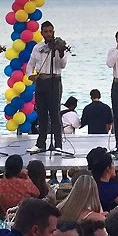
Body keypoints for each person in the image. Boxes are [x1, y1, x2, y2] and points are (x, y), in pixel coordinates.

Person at [26, 21, 70, 151]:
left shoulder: (59, 46)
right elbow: (30, 64)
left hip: (54, 81)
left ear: (54, 32)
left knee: (55, 114)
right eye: (46, 32)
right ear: (42, 33)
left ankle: (58, 145)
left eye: (51, 31)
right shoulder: (37, 48)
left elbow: (62, 65)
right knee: (42, 114)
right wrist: (30, 75)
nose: (48, 34)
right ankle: (40, 144)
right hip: (40, 81)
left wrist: (60, 52)